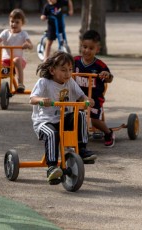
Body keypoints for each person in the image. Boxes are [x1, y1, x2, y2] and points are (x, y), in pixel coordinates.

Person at [30, 51, 97, 183]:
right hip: (45, 122)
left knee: (80, 114)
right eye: (63, 70)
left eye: (70, 70)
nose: (67, 73)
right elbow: (32, 99)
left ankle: (82, 149)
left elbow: (81, 96)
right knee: (52, 134)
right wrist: (42, 100)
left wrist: (87, 100)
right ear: (52, 70)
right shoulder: (44, 82)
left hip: (63, 119)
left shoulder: (70, 82)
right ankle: (52, 167)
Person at [74, 30, 115, 147]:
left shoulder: (100, 66)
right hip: (78, 96)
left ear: (97, 49)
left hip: (95, 98)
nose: (87, 50)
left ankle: (108, 133)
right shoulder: (75, 61)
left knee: (95, 121)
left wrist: (106, 75)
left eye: (91, 48)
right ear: (81, 45)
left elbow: (110, 79)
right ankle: (74, 135)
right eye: (84, 47)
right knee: (71, 115)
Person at [0, 8, 33, 102]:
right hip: (5, 60)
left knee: (16, 60)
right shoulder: (5, 33)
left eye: (17, 22)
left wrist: (27, 45)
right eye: (12, 21)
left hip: (18, 62)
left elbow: (31, 45)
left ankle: (20, 84)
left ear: (22, 23)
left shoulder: (23, 34)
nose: (14, 24)